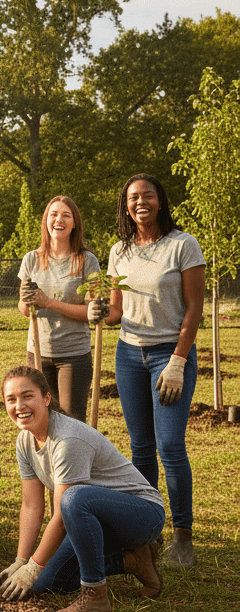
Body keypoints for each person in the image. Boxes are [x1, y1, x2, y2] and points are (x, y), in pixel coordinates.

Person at [89, 173, 205, 568]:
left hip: (168, 356)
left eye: (148, 196)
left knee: (170, 446)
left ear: (160, 201)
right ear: (125, 205)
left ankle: (183, 537)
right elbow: (117, 310)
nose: (140, 202)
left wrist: (178, 360)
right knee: (140, 447)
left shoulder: (183, 245)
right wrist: (99, 311)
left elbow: (193, 308)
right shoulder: (119, 250)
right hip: (129, 355)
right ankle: (146, 533)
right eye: (133, 197)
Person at [0, 365, 165, 612]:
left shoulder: (68, 440)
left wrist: (33, 565)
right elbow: (31, 506)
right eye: (11, 399)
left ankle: (96, 598)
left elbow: (63, 516)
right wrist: (22, 562)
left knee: (73, 500)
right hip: (93, 521)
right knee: (44, 583)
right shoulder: (25, 440)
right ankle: (133, 560)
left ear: (47, 398)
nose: (19, 405)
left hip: (142, 516)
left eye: (27, 396)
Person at [17, 195, 100, 421]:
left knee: (71, 421)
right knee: (40, 418)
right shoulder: (31, 259)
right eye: (53, 214)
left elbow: (90, 313)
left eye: (66, 215)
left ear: (74, 223)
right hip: (37, 351)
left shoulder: (87, 261)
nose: (58, 220)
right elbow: (24, 310)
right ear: (46, 220)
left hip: (73, 355)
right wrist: (27, 301)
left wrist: (49, 303)